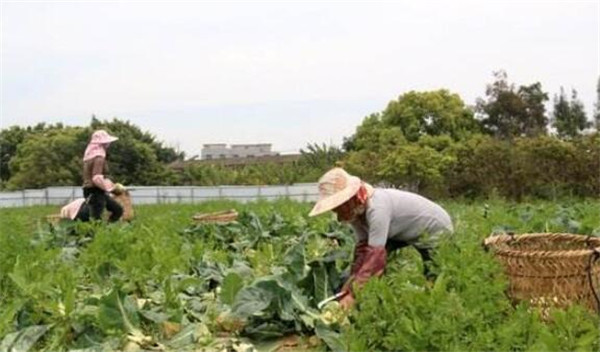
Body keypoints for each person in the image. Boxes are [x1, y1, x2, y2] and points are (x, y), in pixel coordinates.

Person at [309, 167, 454, 309]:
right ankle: (375, 299)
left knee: (434, 275)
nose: (338, 214)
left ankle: (435, 308)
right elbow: (363, 249)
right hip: (401, 229)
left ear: (350, 199)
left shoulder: (377, 208)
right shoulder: (356, 212)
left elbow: (375, 256)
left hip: (434, 227)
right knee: (365, 268)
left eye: (339, 207)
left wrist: (353, 295)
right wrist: (351, 281)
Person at [81, 130, 124, 222]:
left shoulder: (88, 157)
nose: (108, 144)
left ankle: (107, 232)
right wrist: (110, 188)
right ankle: (95, 235)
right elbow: (96, 178)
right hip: (95, 191)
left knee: (118, 210)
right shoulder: (99, 158)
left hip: (91, 190)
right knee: (96, 219)